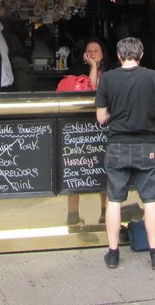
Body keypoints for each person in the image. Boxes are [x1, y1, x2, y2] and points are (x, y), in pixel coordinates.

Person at [95, 37, 155, 271]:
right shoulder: (153, 77)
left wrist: (112, 116)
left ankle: (113, 254)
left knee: (115, 200)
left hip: (118, 145)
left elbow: (101, 118)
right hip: (147, 145)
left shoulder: (107, 79)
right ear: (141, 54)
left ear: (118, 56)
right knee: (149, 200)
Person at [66, 38, 109, 226]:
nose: (92, 53)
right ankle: (73, 214)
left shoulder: (111, 74)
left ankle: (105, 211)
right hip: (80, 128)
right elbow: (89, 94)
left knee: (103, 168)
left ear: (103, 54)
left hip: (103, 127)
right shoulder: (76, 73)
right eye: (88, 50)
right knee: (76, 170)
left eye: (96, 50)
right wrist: (92, 68)